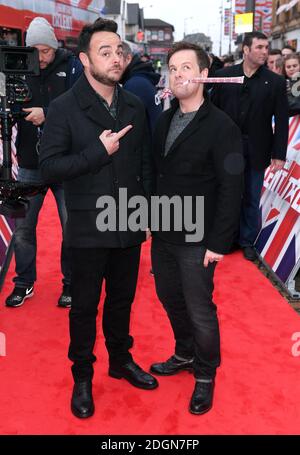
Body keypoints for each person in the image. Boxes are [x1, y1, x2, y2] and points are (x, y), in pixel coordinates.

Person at [39, 18, 158, 419]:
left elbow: (144, 163)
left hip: (128, 224)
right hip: (88, 227)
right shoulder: (64, 107)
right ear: (86, 60)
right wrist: (97, 152)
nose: (115, 58)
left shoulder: (135, 106)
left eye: (119, 50)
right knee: (85, 306)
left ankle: (121, 361)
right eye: (104, 52)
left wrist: (146, 212)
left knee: (122, 301)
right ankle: (83, 377)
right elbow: (51, 166)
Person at [149, 42, 243, 415]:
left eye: (185, 67)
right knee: (169, 299)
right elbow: (157, 174)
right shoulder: (164, 119)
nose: (177, 74)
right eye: (172, 68)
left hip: (199, 238)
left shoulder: (222, 127)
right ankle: (185, 353)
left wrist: (218, 242)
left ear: (204, 74)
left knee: (200, 309)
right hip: (163, 232)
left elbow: (231, 188)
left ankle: (205, 374)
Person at [5, 17, 82, 308]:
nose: (41, 57)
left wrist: (47, 113)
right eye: (35, 51)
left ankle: (71, 284)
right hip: (28, 162)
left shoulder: (73, 67)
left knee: (71, 227)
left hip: (65, 162)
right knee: (23, 228)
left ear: (54, 46)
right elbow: (9, 108)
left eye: (46, 50)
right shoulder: (19, 68)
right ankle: (24, 283)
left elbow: (79, 108)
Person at [211, 31, 289, 261]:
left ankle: (247, 241)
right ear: (246, 49)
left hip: (257, 148)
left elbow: (282, 120)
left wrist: (279, 154)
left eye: (267, 47)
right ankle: (227, 238)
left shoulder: (275, 82)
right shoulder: (225, 76)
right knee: (226, 195)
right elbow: (212, 111)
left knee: (252, 197)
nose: (265, 52)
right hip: (226, 150)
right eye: (260, 47)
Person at [121, 42, 162, 134]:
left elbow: (129, 130)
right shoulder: (140, 78)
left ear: (128, 58)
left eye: (118, 56)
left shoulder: (135, 85)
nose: (114, 62)